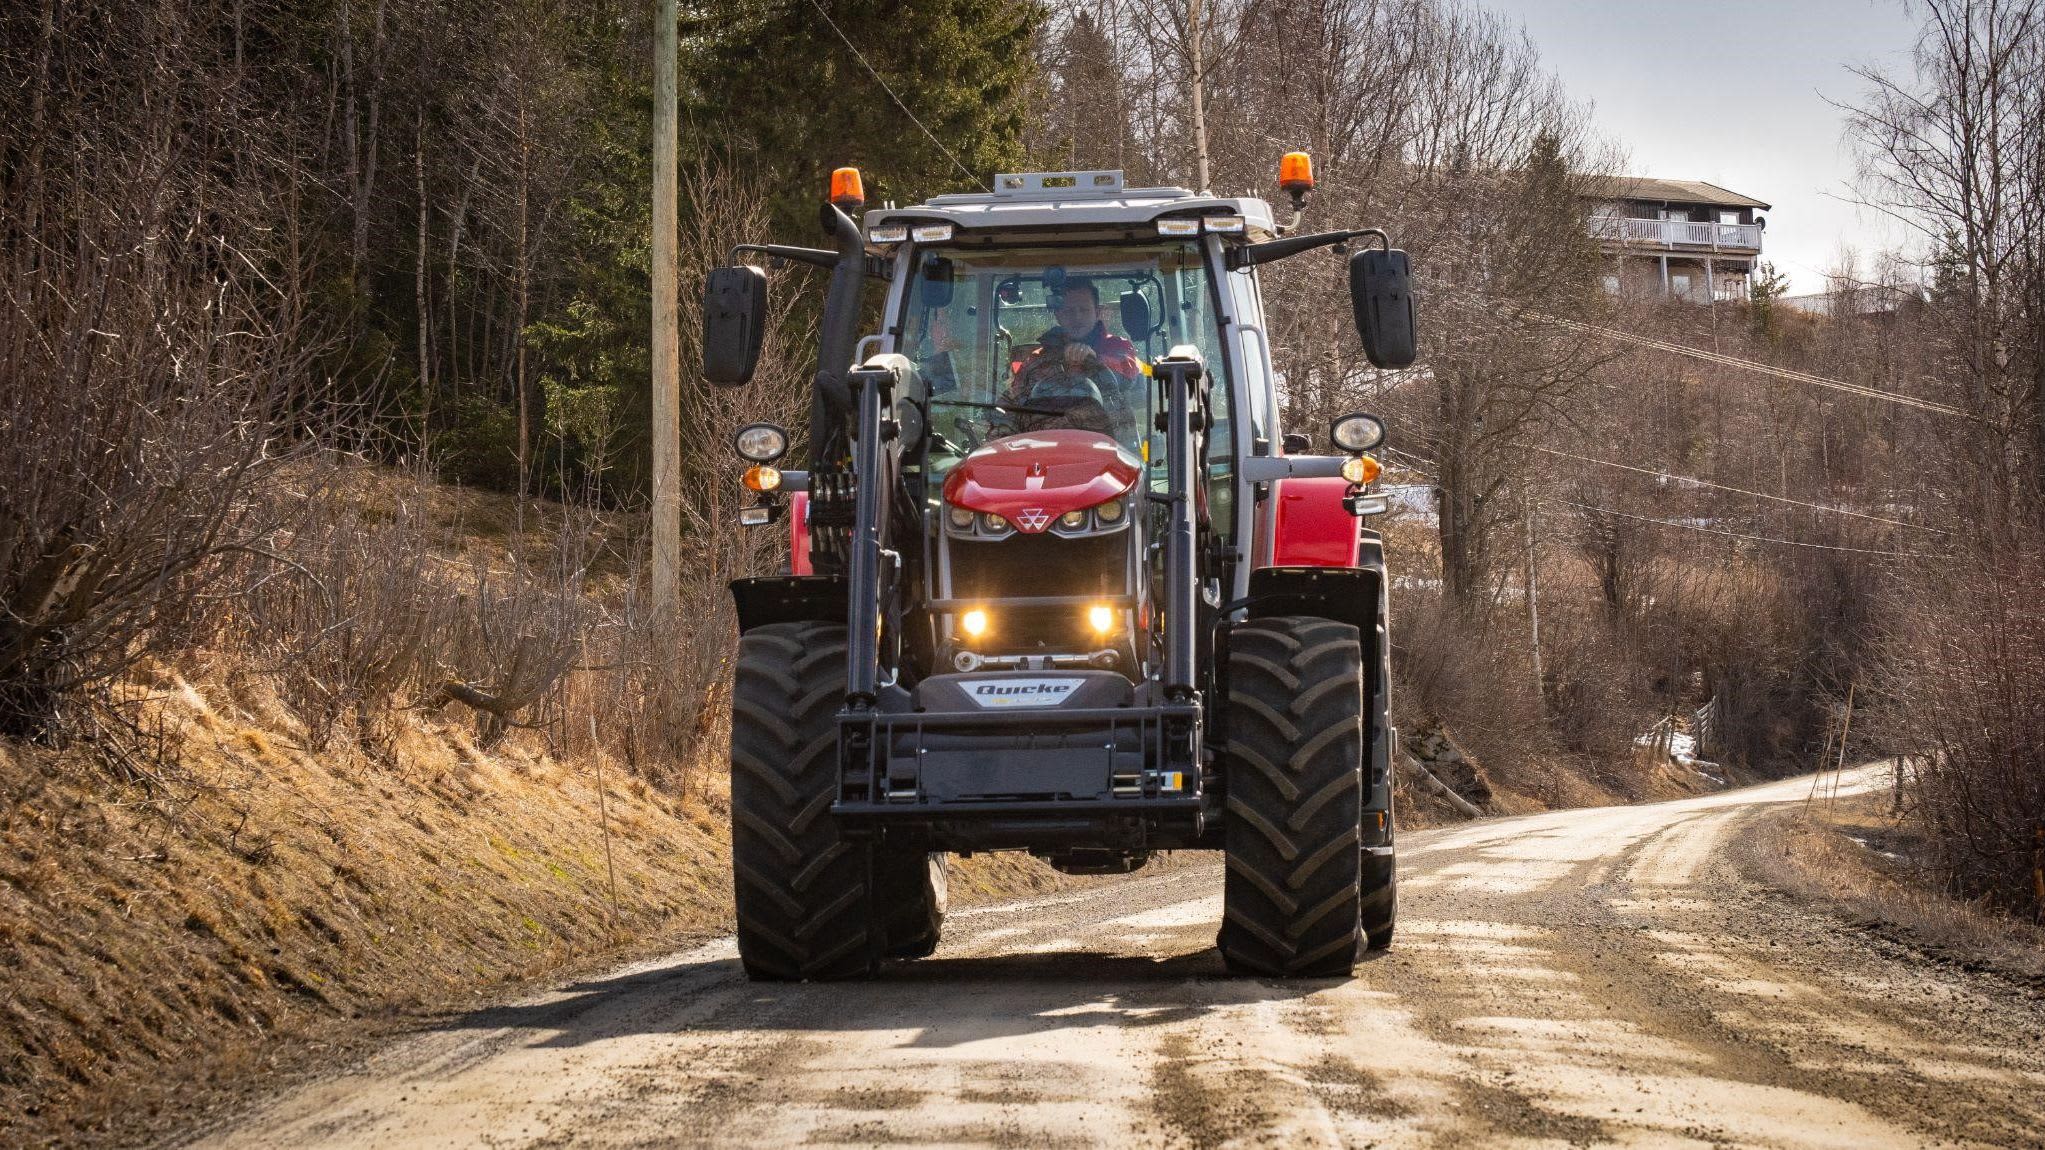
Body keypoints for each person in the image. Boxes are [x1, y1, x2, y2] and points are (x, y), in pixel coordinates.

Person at [1000, 278, 1141, 441]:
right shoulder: (1037, 359)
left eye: (1084, 310)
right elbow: (1013, 403)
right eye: (1069, 311)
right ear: (1058, 314)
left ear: (1097, 312)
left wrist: (1095, 360)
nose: (1077, 317)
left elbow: (1128, 372)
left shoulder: (1118, 347)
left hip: (1110, 444)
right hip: (1045, 446)